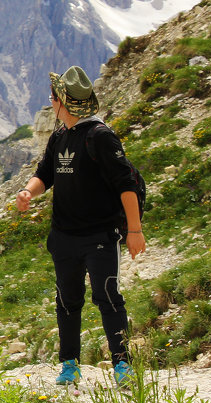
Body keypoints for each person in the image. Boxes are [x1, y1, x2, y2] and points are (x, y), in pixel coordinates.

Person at [16, 66, 147, 386]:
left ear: (66, 103)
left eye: (54, 98)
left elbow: (125, 184)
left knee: (108, 297)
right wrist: (28, 192)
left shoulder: (100, 136)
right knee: (67, 300)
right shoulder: (60, 136)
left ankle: (123, 365)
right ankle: (69, 365)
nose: (51, 103)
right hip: (64, 236)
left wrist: (135, 230)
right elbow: (45, 173)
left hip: (100, 235)